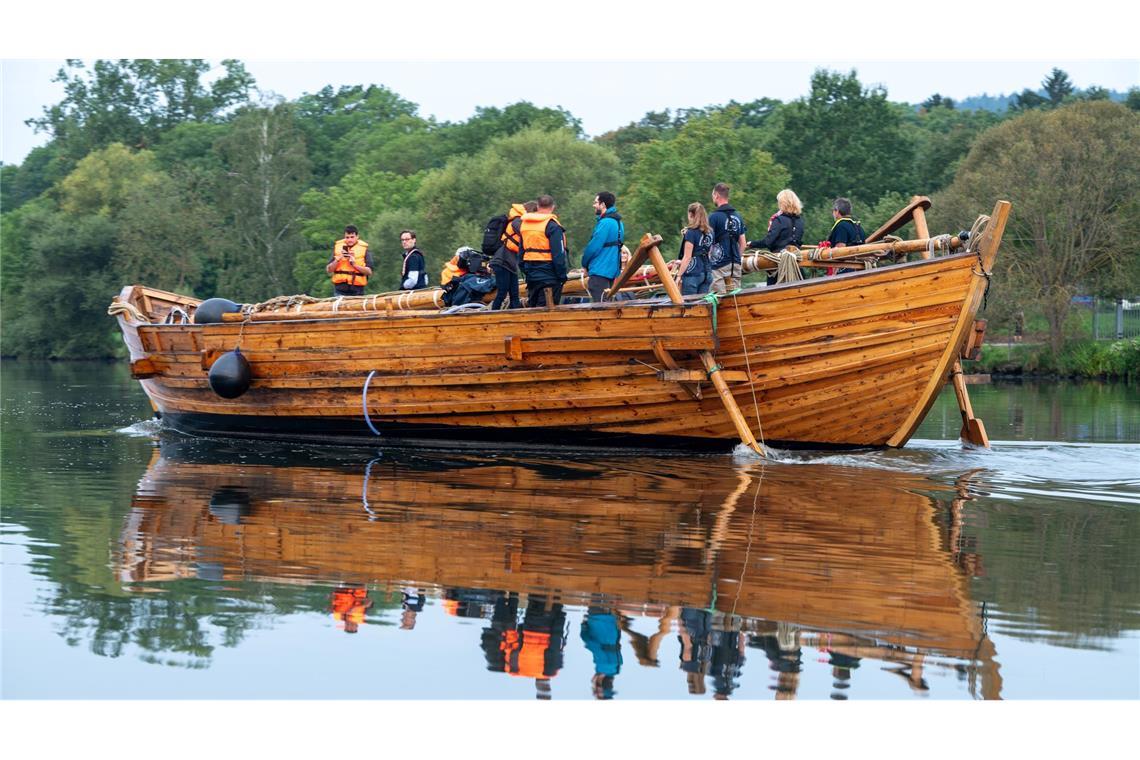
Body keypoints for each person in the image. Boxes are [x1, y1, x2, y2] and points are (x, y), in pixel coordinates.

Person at [748, 189, 805, 286]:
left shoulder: (779, 220)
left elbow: (768, 242)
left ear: (782, 203)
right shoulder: (800, 221)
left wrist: (752, 244)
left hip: (778, 265)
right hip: (796, 265)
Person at [520, 195, 568, 308]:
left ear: (537, 206)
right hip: (549, 277)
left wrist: (526, 271)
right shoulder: (553, 226)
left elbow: (521, 253)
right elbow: (558, 255)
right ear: (553, 207)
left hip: (531, 275)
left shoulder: (525, 225)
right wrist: (562, 276)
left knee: (533, 308)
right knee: (547, 312)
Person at [490, 201, 537, 310]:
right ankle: (492, 316)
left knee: (514, 295)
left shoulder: (519, 220)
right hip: (502, 262)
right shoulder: (516, 221)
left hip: (510, 264)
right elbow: (526, 233)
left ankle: (516, 316)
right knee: (502, 292)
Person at [580, 191, 625, 303]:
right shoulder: (619, 223)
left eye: (596, 202)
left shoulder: (605, 222)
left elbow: (593, 247)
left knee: (600, 307)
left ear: (603, 205)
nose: (594, 205)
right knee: (608, 305)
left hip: (600, 271)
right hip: (612, 271)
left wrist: (584, 263)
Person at [708, 183, 748, 294]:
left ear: (716, 195)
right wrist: (736, 258)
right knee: (736, 297)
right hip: (735, 263)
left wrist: (709, 261)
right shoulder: (738, 216)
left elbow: (708, 244)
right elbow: (743, 243)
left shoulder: (713, 217)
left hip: (718, 265)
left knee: (718, 298)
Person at [670, 202, 714, 296]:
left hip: (692, 275)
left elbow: (687, 257)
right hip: (707, 273)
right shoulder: (710, 232)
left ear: (690, 214)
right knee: (702, 307)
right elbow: (708, 254)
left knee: (690, 307)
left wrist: (679, 276)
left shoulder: (690, 233)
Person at [326, 225, 373, 296]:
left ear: (357, 237)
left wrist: (354, 265)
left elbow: (369, 272)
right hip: (340, 290)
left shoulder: (364, 250)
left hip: (357, 290)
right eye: (347, 237)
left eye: (352, 237)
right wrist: (338, 259)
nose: (349, 240)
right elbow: (329, 270)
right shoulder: (338, 248)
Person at [824, 197, 865, 275]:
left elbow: (839, 251)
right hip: (861, 269)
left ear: (837, 211)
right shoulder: (858, 227)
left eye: (833, 211)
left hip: (846, 270)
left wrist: (833, 275)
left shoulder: (841, 226)